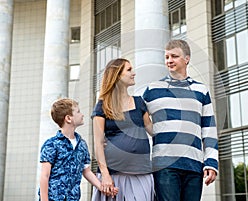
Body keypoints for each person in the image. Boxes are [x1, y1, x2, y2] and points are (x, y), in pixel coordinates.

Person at [142, 39, 219, 201]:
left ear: (187, 59)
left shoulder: (201, 90)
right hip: (164, 165)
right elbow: (135, 117)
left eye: (174, 56)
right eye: (167, 57)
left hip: (194, 164)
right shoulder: (153, 89)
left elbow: (209, 129)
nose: (169, 60)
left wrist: (211, 162)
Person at [91, 58, 154, 201]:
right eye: (129, 70)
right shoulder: (102, 106)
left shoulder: (139, 102)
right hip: (113, 175)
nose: (134, 73)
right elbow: (98, 143)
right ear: (117, 75)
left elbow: (152, 130)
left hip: (141, 173)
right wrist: (105, 174)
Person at [38, 98, 108, 201]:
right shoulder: (51, 144)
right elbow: (45, 175)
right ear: (68, 118)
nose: (82, 115)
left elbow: (86, 171)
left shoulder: (82, 145)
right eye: (78, 112)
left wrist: (102, 187)